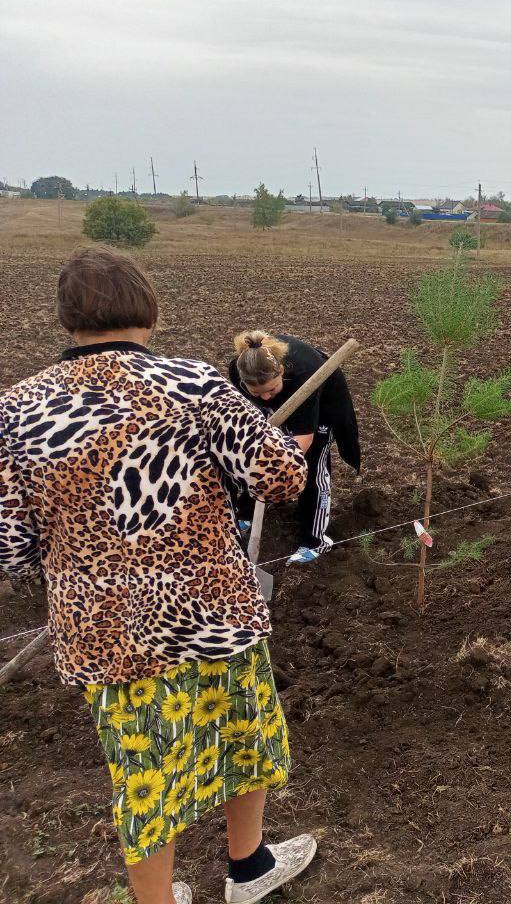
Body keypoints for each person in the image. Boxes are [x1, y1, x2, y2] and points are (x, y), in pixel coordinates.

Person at [0, 247, 317, 904]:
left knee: (143, 772)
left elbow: (10, 543)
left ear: (66, 322)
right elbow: (282, 476)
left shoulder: (15, 411)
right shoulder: (194, 384)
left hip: (104, 628)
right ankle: (249, 867)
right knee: (243, 733)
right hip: (212, 608)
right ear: (148, 312)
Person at [229, 331, 361, 565]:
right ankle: (246, 513)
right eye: (257, 393)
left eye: (272, 389)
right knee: (253, 459)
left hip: (323, 406)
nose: (266, 397)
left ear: (281, 372)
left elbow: (303, 439)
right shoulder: (239, 369)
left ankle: (316, 540)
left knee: (311, 467)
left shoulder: (304, 376)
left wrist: (274, 463)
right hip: (285, 405)